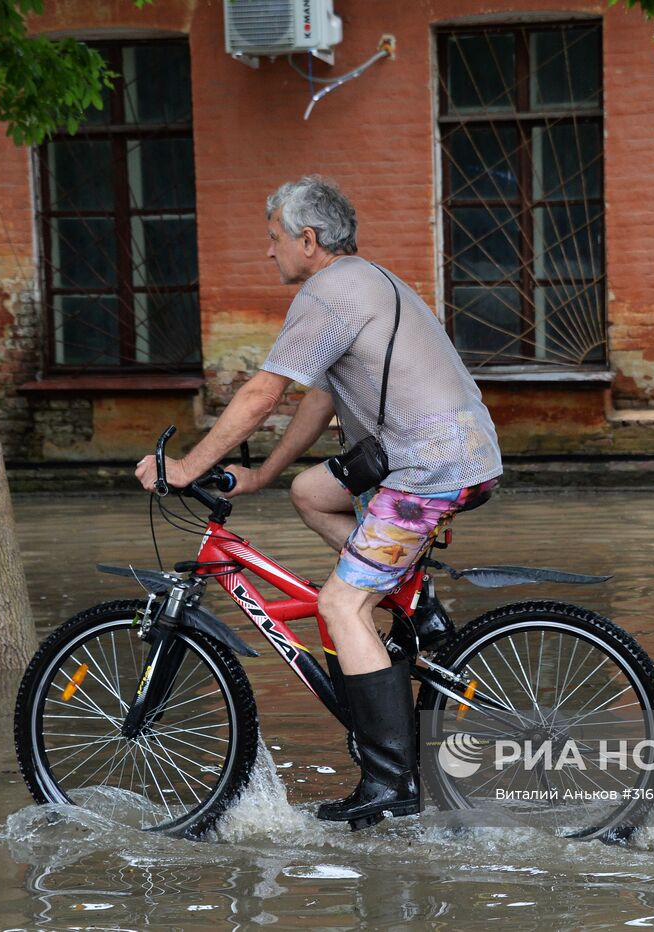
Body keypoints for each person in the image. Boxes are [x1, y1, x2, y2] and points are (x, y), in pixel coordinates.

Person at [134, 175, 502, 828]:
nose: (268, 251)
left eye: (274, 239)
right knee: (312, 491)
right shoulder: (366, 280)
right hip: (459, 450)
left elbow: (260, 394)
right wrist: (264, 474)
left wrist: (189, 464)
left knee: (340, 603)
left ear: (308, 239)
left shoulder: (326, 293)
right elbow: (322, 397)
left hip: (428, 467)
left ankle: (391, 789)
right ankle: (416, 601)